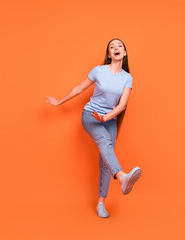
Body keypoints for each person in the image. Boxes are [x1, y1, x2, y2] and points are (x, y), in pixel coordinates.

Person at [45, 38, 141, 218]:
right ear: (109, 54)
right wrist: (60, 101)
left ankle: (100, 204)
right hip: (91, 116)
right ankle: (122, 178)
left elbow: (122, 106)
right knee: (105, 143)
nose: (116, 48)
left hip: (109, 120)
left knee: (106, 159)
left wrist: (106, 117)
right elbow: (79, 88)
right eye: (112, 47)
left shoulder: (127, 78)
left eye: (119, 46)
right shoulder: (99, 70)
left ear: (124, 53)